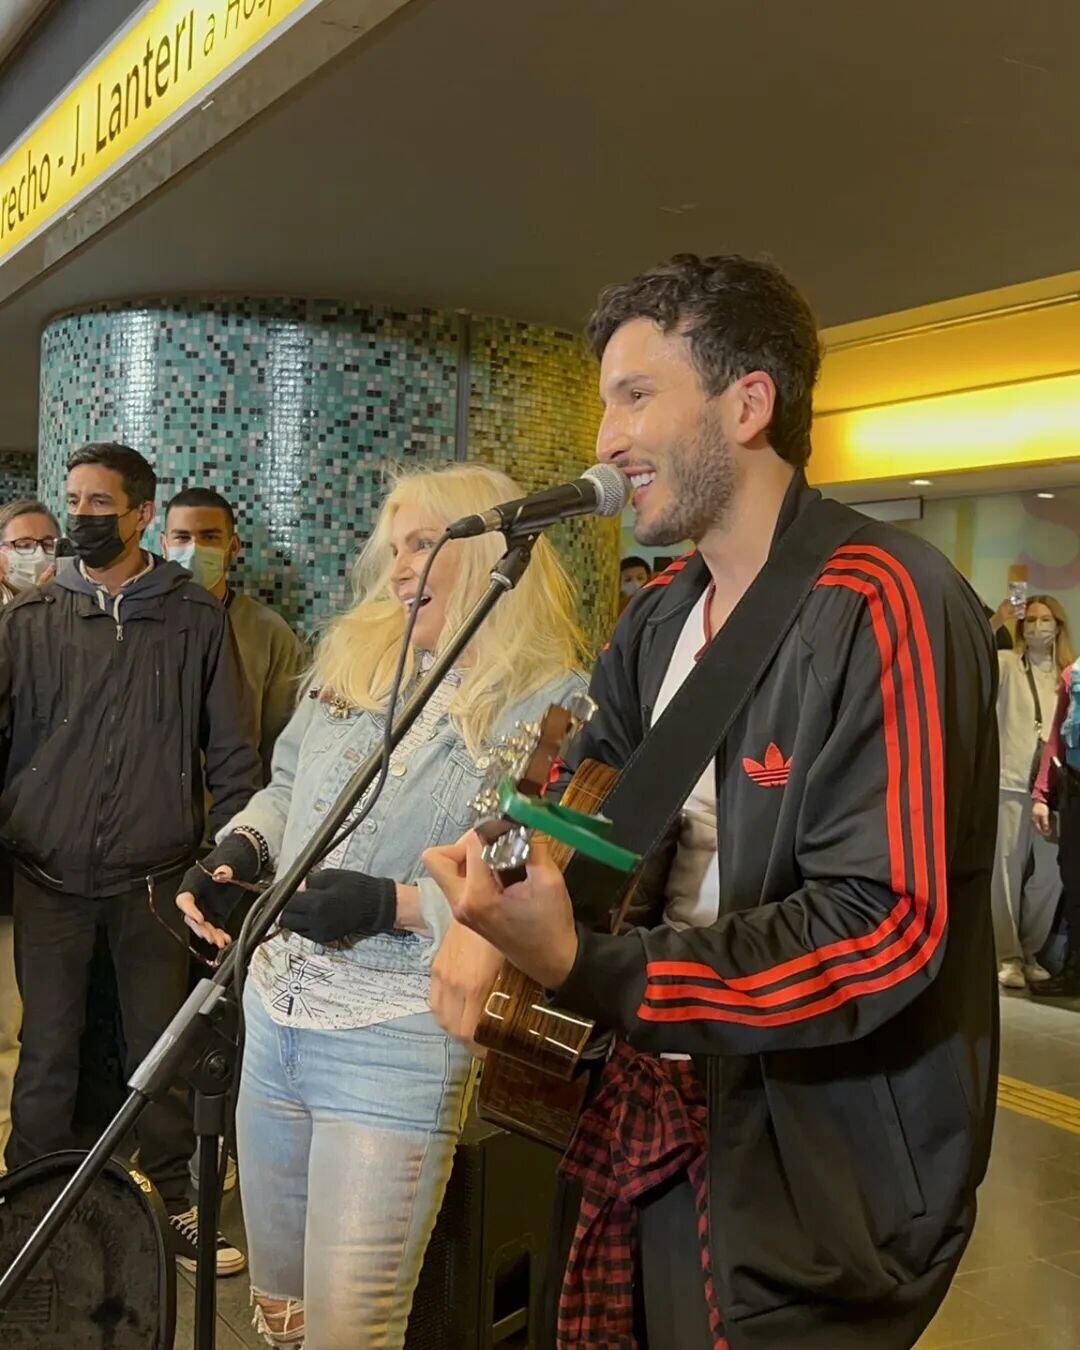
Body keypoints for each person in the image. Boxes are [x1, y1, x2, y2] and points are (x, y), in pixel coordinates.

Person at [427, 254, 999, 1350]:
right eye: (605, 404)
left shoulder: (889, 605)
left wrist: (587, 967)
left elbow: (885, 927)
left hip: (811, 1169)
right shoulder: (659, 619)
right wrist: (492, 886)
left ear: (747, 404)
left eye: (637, 395)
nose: (604, 438)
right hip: (645, 1104)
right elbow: (571, 801)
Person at [175, 462, 587, 1349]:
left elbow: (535, 891)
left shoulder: (553, 704)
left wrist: (393, 904)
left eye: (423, 545)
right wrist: (244, 844)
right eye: (392, 547)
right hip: (274, 1015)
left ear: (488, 551)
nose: (398, 568)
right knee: (280, 1309)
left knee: (348, 1331)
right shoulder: (354, 658)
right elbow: (287, 786)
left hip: (394, 1041)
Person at [0, 443, 262, 1274]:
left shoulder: (194, 620)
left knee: (162, 1050)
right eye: (73, 501)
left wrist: (226, 866)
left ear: (143, 514)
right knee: (46, 1049)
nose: (81, 517)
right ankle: (31, 1209)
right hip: (48, 877)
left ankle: (178, 1203)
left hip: (156, 882)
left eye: (100, 504)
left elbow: (235, 759)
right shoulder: (29, 622)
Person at [162, 487, 305, 782]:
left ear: (234, 547)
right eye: (182, 537)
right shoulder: (138, 623)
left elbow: (283, 742)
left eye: (210, 537)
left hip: (236, 810)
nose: (195, 548)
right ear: (164, 545)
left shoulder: (269, 633)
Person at [0, 499, 61, 1158]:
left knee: (18, 1029)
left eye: (47, 544)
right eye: (20, 544)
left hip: (32, 865)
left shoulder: (68, 628)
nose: (34, 557)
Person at [991, 595, 1075, 989]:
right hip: (1009, 781)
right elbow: (973, 657)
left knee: (1049, 876)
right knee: (1005, 870)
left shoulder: (1069, 674)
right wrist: (998, 620)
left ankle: (1030, 950)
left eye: (1046, 619)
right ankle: (1005, 956)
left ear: (1058, 626)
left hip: (1054, 790)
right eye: (1031, 619)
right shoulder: (1008, 665)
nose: (1038, 626)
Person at [1031, 651, 1080, 996]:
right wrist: (1040, 795)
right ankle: (1075, 969)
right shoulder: (1073, 673)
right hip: (1075, 787)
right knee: (1074, 879)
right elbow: (1055, 740)